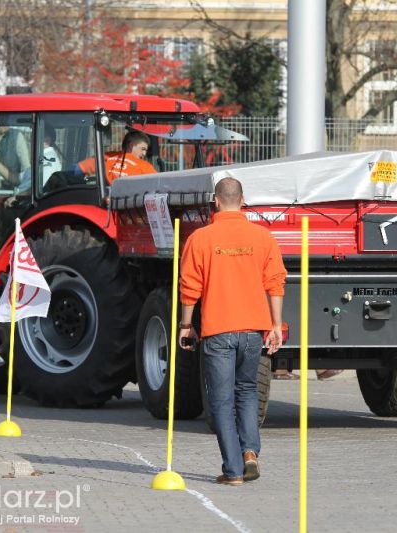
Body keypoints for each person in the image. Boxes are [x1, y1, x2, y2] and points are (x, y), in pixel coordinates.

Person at [178, 177, 287, 486]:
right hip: (254, 329)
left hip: (218, 330)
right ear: (243, 201)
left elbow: (190, 287)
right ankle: (250, 452)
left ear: (215, 202)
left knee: (222, 401)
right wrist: (275, 324)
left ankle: (233, 470)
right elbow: (275, 282)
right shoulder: (263, 237)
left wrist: (187, 326)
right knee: (248, 391)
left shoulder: (200, 239)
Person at [77, 130, 156, 185]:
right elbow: (158, 184)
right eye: (143, 149)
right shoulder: (145, 166)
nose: (144, 153)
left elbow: (77, 169)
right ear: (131, 145)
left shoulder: (105, 157)